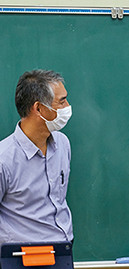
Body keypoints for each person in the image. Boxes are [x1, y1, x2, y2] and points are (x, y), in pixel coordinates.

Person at [0, 69, 73, 244]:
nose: (68, 106)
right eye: (61, 101)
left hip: (63, 250)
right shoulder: (4, 159)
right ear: (39, 108)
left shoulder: (63, 144)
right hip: (21, 257)